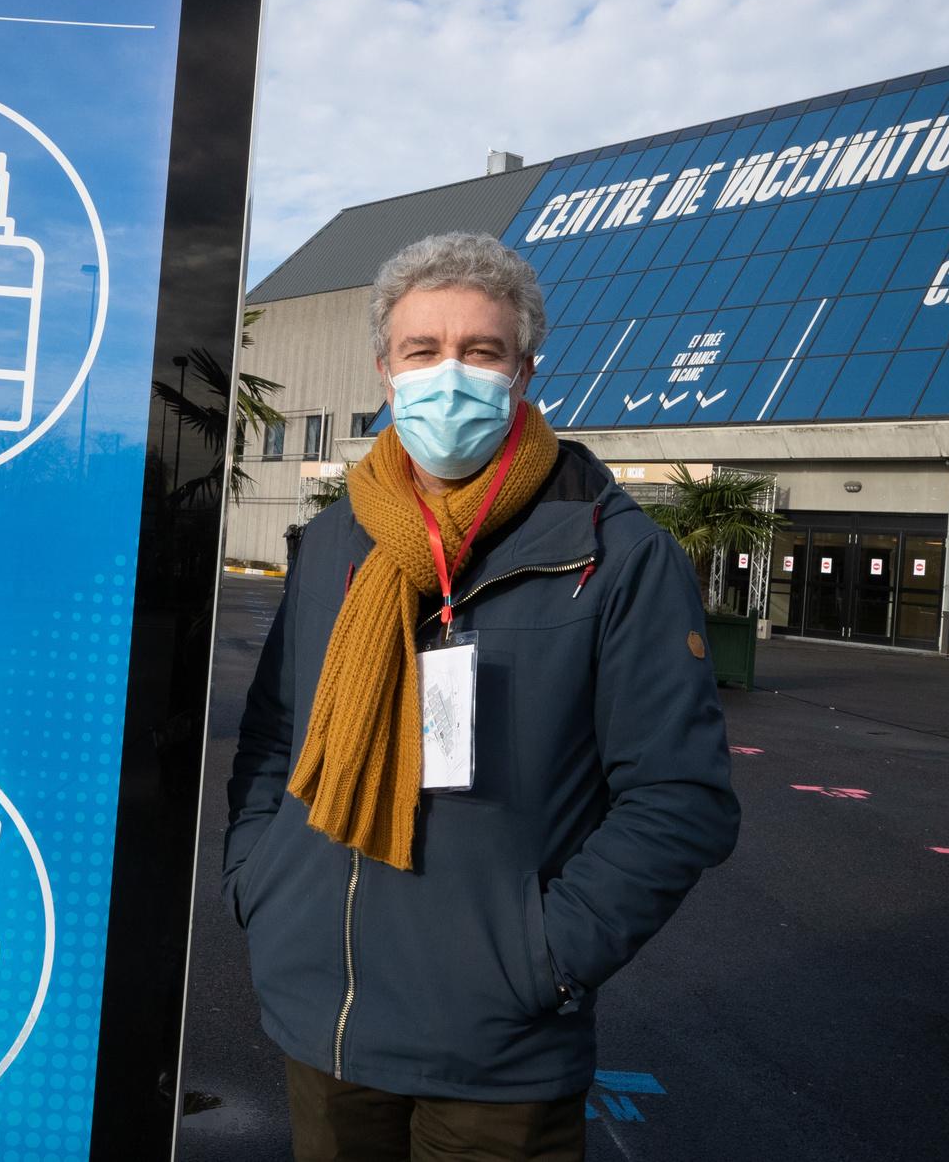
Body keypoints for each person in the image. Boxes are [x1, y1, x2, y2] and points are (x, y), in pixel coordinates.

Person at [224, 231, 740, 1161]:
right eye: (423, 351)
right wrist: (260, 883)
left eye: (481, 351)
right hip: (325, 1020)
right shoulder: (339, 539)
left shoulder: (614, 556)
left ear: (524, 373)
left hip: (496, 1053)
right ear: (386, 372)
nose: (448, 374)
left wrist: (541, 957)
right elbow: (274, 737)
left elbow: (681, 798)